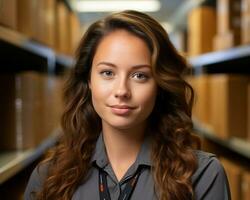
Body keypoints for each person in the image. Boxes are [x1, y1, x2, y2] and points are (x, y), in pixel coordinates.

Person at [24, 10, 231, 200]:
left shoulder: (202, 175)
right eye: (108, 73)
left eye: (139, 75)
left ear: (160, 84)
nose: (122, 90)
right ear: (89, 80)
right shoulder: (48, 177)